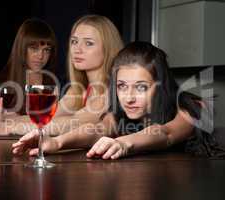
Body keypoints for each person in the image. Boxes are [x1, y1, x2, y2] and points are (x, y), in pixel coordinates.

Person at [13, 41, 224, 158]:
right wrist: (57, 142)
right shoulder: (121, 113)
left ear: (161, 86)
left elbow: (166, 134)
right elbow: (99, 129)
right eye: (122, 86)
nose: (129, 97)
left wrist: (123, 143)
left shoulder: (193, 107)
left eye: (141, 87)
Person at [0, 14, 124, 136]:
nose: (77, 49)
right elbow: (45, 118)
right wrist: (1, 118)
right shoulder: (78, 90)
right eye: (74, 41)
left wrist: (7, 128)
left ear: (108, 49)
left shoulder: (110, 90)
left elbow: (72, 124)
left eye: (88, 43)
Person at [0, 18, 57, 134]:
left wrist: (9, 119)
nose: (41, 56)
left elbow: (56, 122)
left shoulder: (53, 83)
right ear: (21, 48)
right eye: (34, 48)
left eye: (46, 50)